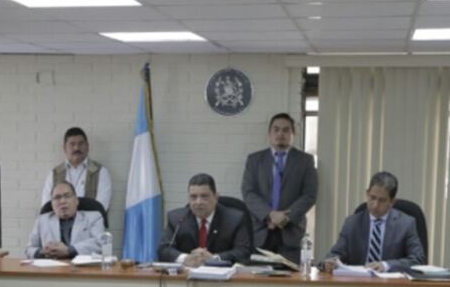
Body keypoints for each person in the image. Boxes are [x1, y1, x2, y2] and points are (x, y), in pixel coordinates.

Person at [241, 113, 318, 263]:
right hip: (261, 230)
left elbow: (309, 195)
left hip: (291, 231)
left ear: (293, 134)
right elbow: (248, 192)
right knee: (258, 280)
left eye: (285, 130)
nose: (280, 134)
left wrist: (284, 218)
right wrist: (270, 215)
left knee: (291, 281)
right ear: (269, 134)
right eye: (276, 130)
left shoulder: (305, 161)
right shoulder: (255, 160)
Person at [320, 171, 425, 273]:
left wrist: (386, 265)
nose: (375, 205)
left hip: (392, 286)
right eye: (372, 198)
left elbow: (418, 259)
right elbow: (335, 254)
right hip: (358, 284)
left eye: (382, 200)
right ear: (367, 194)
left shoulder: (406, 224)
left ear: (392, 202)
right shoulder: (352, 223)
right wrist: (328, 263)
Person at [157, 173, 251, 268]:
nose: (198, 202)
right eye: (193, 197)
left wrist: (214, 259)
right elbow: (164, 249)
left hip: (223, 278)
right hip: (186, 277)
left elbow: (243, 252)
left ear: (216, 197)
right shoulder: (177, 219)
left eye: (204, 196)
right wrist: (186, 258)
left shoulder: (235, 219)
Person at [26, 181, 105, 259]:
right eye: (57, 197)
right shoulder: (42, 220)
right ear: (52, 204)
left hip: (83, 269)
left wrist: (69, 250)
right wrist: (42, 252)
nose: (62, 201)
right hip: (51, 269)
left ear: (76, 201)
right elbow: (29, 249)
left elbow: (101, 243)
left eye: (67, 196)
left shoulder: (94, 217)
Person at [40, 127, 112, 212]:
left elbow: (102, 207)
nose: (76, 148)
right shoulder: (54, 174)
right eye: (72, 144)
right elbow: (47, 206)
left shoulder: (100, 172)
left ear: (87, 147)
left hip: (91, 224)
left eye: (81, 144)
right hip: (60, 224)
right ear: (64, 148)